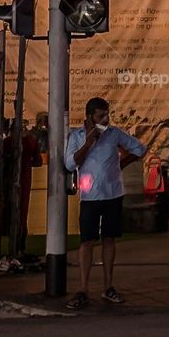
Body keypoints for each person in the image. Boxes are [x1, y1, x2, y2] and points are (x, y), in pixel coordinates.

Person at [64, 96, 146, 308]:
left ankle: (108, 286)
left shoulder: (114, 134)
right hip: (90, 196)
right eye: (101, 116)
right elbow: (70, 163)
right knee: (87, 241)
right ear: (90, 117)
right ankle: (83, 288)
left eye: (107, 114)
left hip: (112, 193)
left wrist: (121, 164)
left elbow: (139, 149)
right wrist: (89, 140)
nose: (106, 119)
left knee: (109, 238)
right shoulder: (77, 136)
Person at [2, 118, 43, 257]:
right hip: (23, 181)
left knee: (12, 211)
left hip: (10, 182)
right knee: (21, 213)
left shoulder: (8, 142)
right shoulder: (30, 141)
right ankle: (19, 246)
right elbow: (38, 162)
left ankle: (15, 245)